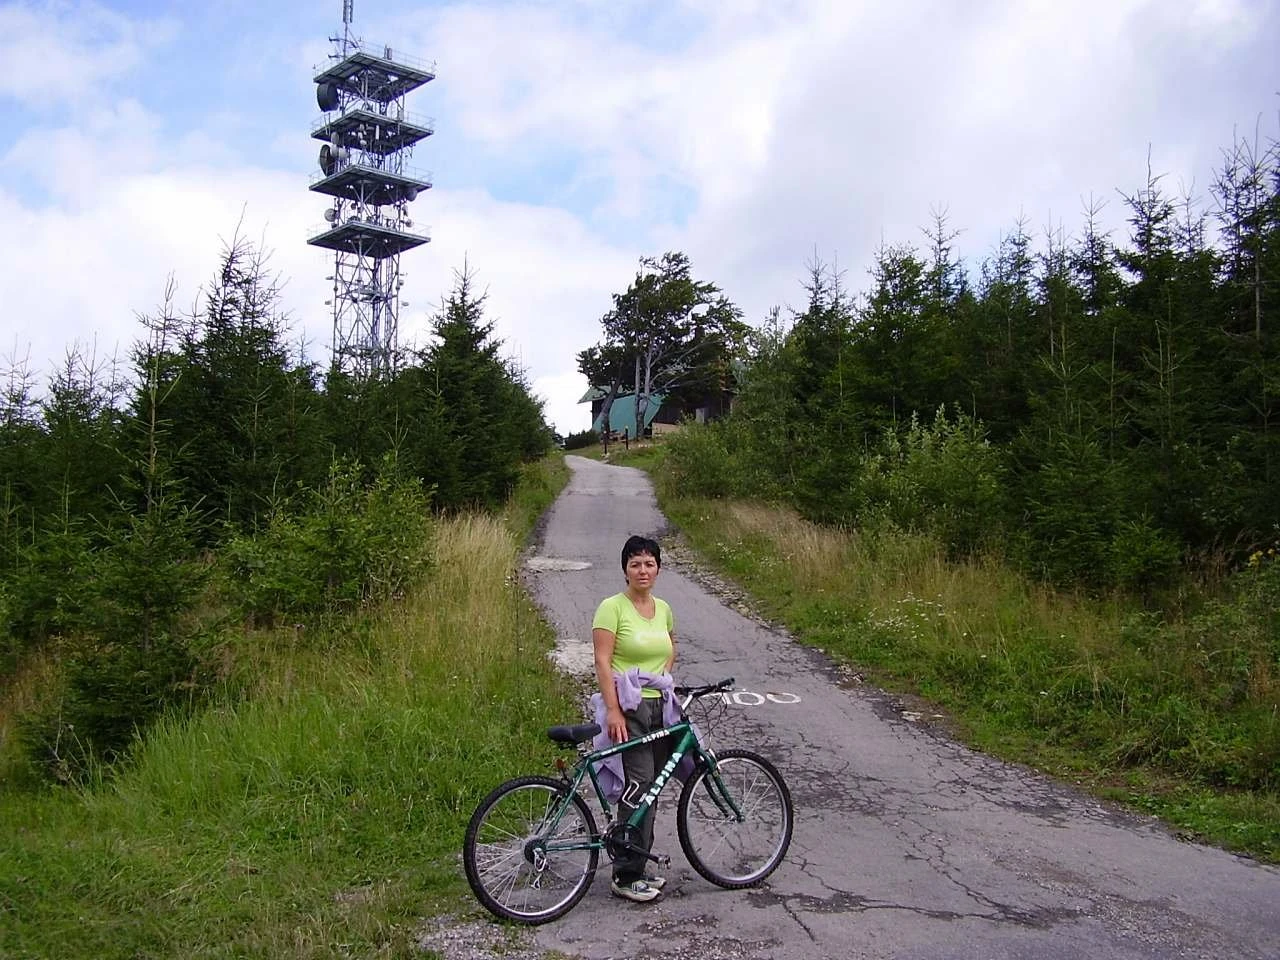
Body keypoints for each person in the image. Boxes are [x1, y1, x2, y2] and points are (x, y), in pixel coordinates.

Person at [592, 534, 677, 903]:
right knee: (638, 787)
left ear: (658, 568)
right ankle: (625, 875)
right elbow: (602, 661)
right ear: (625, 569)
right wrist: (613, 709)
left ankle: (639, 865)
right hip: (630, 708)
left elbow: (670, 645)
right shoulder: (612, 608)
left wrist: (662, 677)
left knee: (653, 788)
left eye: (649, 563)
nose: (643, 570)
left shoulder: (664, 608)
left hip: (661, 707)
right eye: (635, 564)